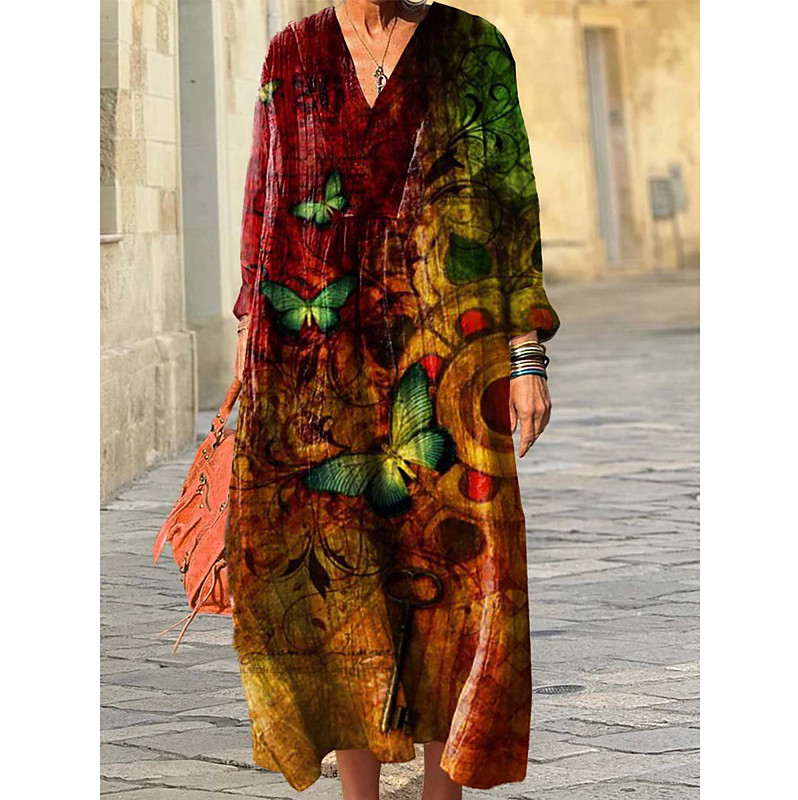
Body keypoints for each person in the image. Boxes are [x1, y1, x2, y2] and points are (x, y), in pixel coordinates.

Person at [227, 1, 560, 797]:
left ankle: (444, 791)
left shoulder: (475, 49)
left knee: (458, 576)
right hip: (319, 366)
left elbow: (510, 208)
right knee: (340, 580)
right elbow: (265, 205)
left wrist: (525, 354)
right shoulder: (292, 54)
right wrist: (250, 335)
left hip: (450, 360)